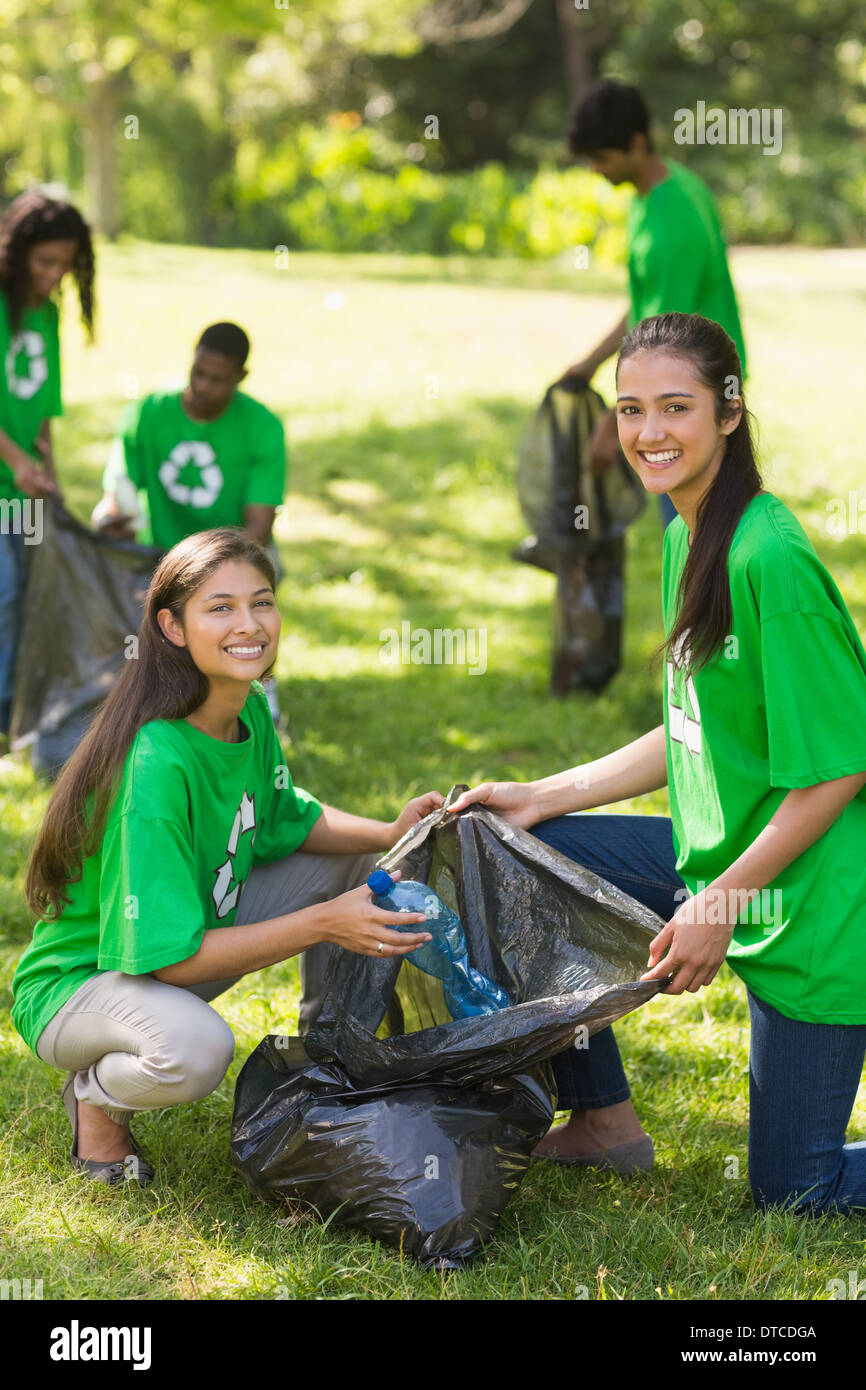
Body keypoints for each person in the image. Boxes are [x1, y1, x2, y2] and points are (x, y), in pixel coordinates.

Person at [450, 312, 866, 1214]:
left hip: (820, 912)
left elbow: (839, 769)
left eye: (674, 408)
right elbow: (697, 727)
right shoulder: (688, 531)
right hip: (723, 868)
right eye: (630, 409)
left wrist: (720, 905)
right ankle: (603, 1121)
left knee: (795, 1191)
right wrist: (543, 793)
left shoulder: (770, 559)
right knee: (517, 849)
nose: (647, 434)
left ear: (729, 409)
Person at [12, 528, 441, 1185]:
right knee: (195, 1050)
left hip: (174, 945)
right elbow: (174, 961)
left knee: (361, 872)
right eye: (220, 608)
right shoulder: (155, 764)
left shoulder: (247, 713)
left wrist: (389, 831)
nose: (250, 624)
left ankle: (328, 1066)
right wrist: (324, 923)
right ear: (172, 627)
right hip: (83, 982)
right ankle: (95, 1102)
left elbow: (285, 819)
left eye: (261, 602)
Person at [560, 79, 747, 529]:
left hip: (693, 396)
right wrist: (588, 365)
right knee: (691, 534)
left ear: (637, 144)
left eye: (602, 158)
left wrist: (610, 426)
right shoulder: (661, 191)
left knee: (697, 536)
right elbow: (645, 304)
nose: (596, 170)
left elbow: (666, 349)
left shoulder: (671, 224)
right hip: (681, 389)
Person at [91, 321, 288, 721]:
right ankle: (145, 696)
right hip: (157, 555)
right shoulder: (148, 414)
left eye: (218, 380)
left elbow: (258, 531)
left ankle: (257, 690)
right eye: (198, 372)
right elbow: (118, 493)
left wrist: (207, 573)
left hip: (232, 556)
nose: (203, 386)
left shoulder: (261, 426)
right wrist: (112, 519)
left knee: (256, 597)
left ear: (241, 377)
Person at [0, 190, 95, 749]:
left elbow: (42, 411)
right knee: (5, 596)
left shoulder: (49, 314)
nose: (54, 275)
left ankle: (18, 716)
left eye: (65, 265)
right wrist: (18, 464)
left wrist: (48, 474)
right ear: (16, 253)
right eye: (44, 262)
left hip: (24, 492)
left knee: (34, 595)